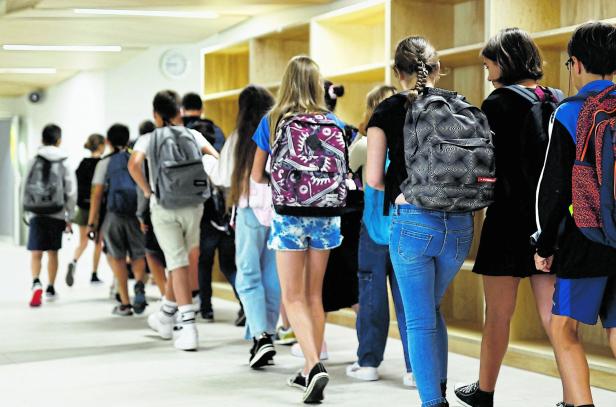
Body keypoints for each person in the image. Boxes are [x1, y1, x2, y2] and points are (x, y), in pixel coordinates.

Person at [367, 36, 489, 407]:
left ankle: (432, 403)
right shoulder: (461, 105)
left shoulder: (386, 111)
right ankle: (437, 391)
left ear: (397, 72)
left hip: (413, 223)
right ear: (438, 68)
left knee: (420, 320)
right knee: (432, 312)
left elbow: (373, 178)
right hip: (461, 225)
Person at [454, 28, 564, 407]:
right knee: (556, 319)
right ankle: (573, 395)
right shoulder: (557, 100)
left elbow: (485, 167)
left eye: (488, 66)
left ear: (503, 62)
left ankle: (484, 392)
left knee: (498, 315)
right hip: (547, 222)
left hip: (504, 221)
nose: (487, 74)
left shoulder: (496, 104)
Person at [251, 55, 344, 403]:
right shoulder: (333, 120)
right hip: (327, 213)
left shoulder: (273, 119)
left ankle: (314, 365)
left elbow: (256, 175)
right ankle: (309, 368)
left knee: (291, 296)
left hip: (289, 214)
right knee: (314, 295)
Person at [533, 21, 616, 407]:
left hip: (585, 235)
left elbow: (554, 188)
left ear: (577, 64)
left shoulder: (570, 111)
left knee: (563, 327)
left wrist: (545, 243)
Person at [129, 90, 219, 351]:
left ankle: (189, 327)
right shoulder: (194, 134)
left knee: (176, 264)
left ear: (156, 114)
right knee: (187, 259)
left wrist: (147, 190)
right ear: (179, 112)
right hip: (195, 205)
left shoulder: (148, 138)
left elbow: (134, 165)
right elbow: (215, 158)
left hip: (165, 207)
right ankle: (166, 315)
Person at [346, 85, 415, 387]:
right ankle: (415, 368)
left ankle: (369, 362)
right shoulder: (416, 141)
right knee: (410, 302)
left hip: (374, 230)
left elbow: (347, 167)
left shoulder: (364, 145)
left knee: (371, 299)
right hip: (409, 229)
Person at [229, 85, 279, 369]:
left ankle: (260, 337)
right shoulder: (280, 131)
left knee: (248, 275)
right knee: (273, 278)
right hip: (280, 212)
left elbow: (223, 175)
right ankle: (268, 333)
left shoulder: (239, 138)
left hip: (250, 210)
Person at [88, 124, 147, 316]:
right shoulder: (136, 159)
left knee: (118, 257)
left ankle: (125, 303)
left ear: (108, 141)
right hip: (136, 215)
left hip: (114, 215)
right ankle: (139, 284)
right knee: (138, 255)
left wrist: (92, 222)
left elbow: (97, 194)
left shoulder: (105, 163)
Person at [23, 124, 76, 307]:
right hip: (57, 212)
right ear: (59, 140)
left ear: (42, 139)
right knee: (53, 252)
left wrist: (25, 209)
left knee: (36, 252)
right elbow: (71, 190)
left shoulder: (33, 160)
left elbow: (24, 185)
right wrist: (70, 215)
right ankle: (51, 287)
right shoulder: (64, 161)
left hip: (36, 211)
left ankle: (36, 282)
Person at [66, 133, 105, 287]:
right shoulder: (102, 164)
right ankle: (94, 274)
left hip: (82, 208)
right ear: (101, 146)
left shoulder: (82, 164)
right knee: (97, 242)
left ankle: (74, 261)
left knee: (82, 242)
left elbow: (75, 186)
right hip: (97, 209)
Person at [135, 120, 167, 297]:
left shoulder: (142, 154)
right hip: (176, 203)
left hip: (152, 207)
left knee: (152, 252)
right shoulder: (164, 149)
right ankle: (176, 296)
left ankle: (166, 297)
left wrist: (140, 215)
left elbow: (141, 191)